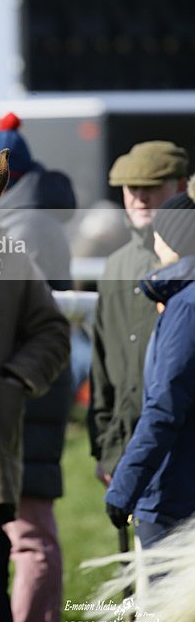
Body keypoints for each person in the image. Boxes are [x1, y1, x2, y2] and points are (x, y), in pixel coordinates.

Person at [0, 112, 75, 622]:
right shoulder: (3, 231)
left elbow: (43, 326)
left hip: (7, 416)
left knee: (18, 542)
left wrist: (12, 381)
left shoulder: (16, 238)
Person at [87, 141, 189, 489]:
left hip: (182, 448)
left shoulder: (186, 259)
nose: (140, 198)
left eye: (151, 187)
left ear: (180, 187)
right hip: (126, 450)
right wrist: (105, 446)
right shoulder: (116, 265)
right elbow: (101, 365)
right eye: (133, 188)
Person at [105, 176, 195, 549]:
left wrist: (125, 486)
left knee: (161, 609)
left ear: (172, 238)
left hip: (173, 496)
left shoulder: (186, 307)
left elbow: (165, 407)